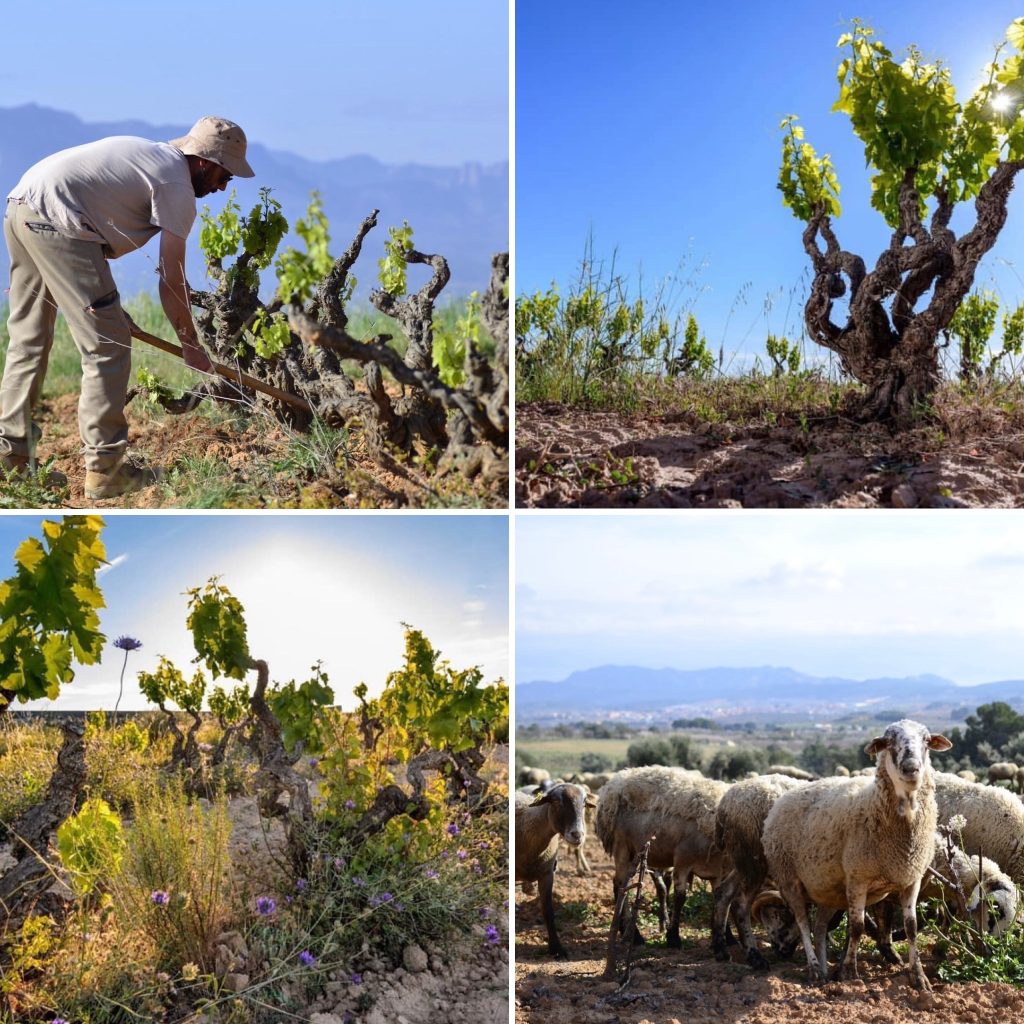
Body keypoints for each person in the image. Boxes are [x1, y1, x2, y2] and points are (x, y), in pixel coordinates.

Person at [0, 115, 255, 498]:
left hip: (23, 206)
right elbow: (172, 280)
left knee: (28, 341)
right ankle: (106, 470)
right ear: (205, 162)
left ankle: (11, 462)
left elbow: (91, 226)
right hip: (60, 221)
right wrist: (190, 346)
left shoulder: (152, 157)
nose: (223, 187)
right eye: (225, 176)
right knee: (108, 347)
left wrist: (111, 310)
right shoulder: (176, 187)